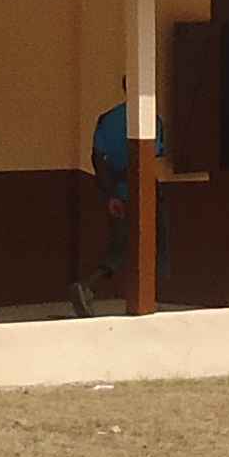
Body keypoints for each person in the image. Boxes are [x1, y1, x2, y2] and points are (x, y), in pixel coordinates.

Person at [74, 99, 137, 314]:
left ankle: (89, 286)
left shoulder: (107, 119)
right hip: (139, 190)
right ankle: (89, 286)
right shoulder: (151, 120)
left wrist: (109, 193)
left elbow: (98, 158)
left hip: (115, 191)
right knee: (137, 244)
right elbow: (155, 152)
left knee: (119, 243)